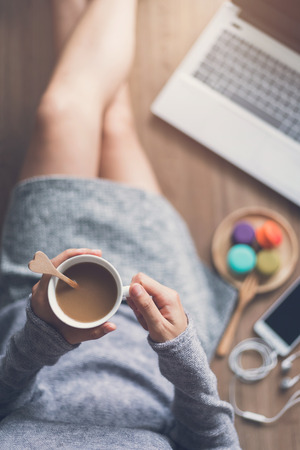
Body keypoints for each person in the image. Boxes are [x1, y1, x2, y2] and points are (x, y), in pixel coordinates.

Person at [0, 1, 241, 448]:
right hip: (162, 317)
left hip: (39, 312)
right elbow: (208, 437)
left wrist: (39, 337)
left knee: (64, 111)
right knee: (112, 121)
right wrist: (184, 358)